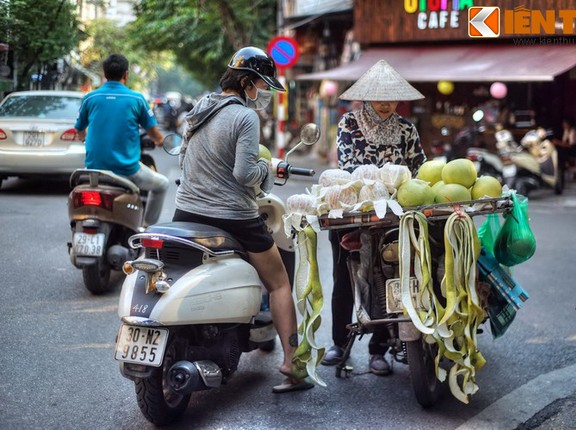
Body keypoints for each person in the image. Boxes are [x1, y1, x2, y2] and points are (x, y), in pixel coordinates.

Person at [172, 46, 313, 394]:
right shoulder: (244, 117)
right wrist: (268, 168)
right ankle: (292, 364)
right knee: (279, 282)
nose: (262, 94)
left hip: (185, 210)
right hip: (232, 215)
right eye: (261, 86)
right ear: (247, 82)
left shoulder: (199, 109)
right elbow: (244, 172)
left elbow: (183, 161)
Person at [321, 59, 427, 375]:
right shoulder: (348, 124)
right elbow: (349, 166)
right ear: (367, 96)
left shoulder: (407, 129)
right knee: (343, 276)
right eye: (379, 97)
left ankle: (379, 348)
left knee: (388, 275)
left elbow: (419, 167)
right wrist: (386, 180)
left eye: (391, 98)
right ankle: (339, 342)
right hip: (354, 212)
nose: (385, 104)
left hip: (394, 216)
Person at [75, 54, 169, 226]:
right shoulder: (137, 99)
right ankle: (146, 227)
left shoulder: (90, 98)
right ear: (126, 74)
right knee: (162, 184)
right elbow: (155, 134)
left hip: (94, 170)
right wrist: (161, 141)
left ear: (105, 74)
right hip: (128, 171)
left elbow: (79, 129)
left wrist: (84, 138)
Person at [555, 116, 576, 181]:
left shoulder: (573, 131)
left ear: (569, 124)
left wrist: (558, 142)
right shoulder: (566, 130)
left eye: (564, 123)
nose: (563, 125)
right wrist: (558, 143)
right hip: (571, 148)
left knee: (565, 149)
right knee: (561, 150)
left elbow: (571, 145)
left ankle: (565, 164)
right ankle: (563, 164)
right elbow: (563, 142)